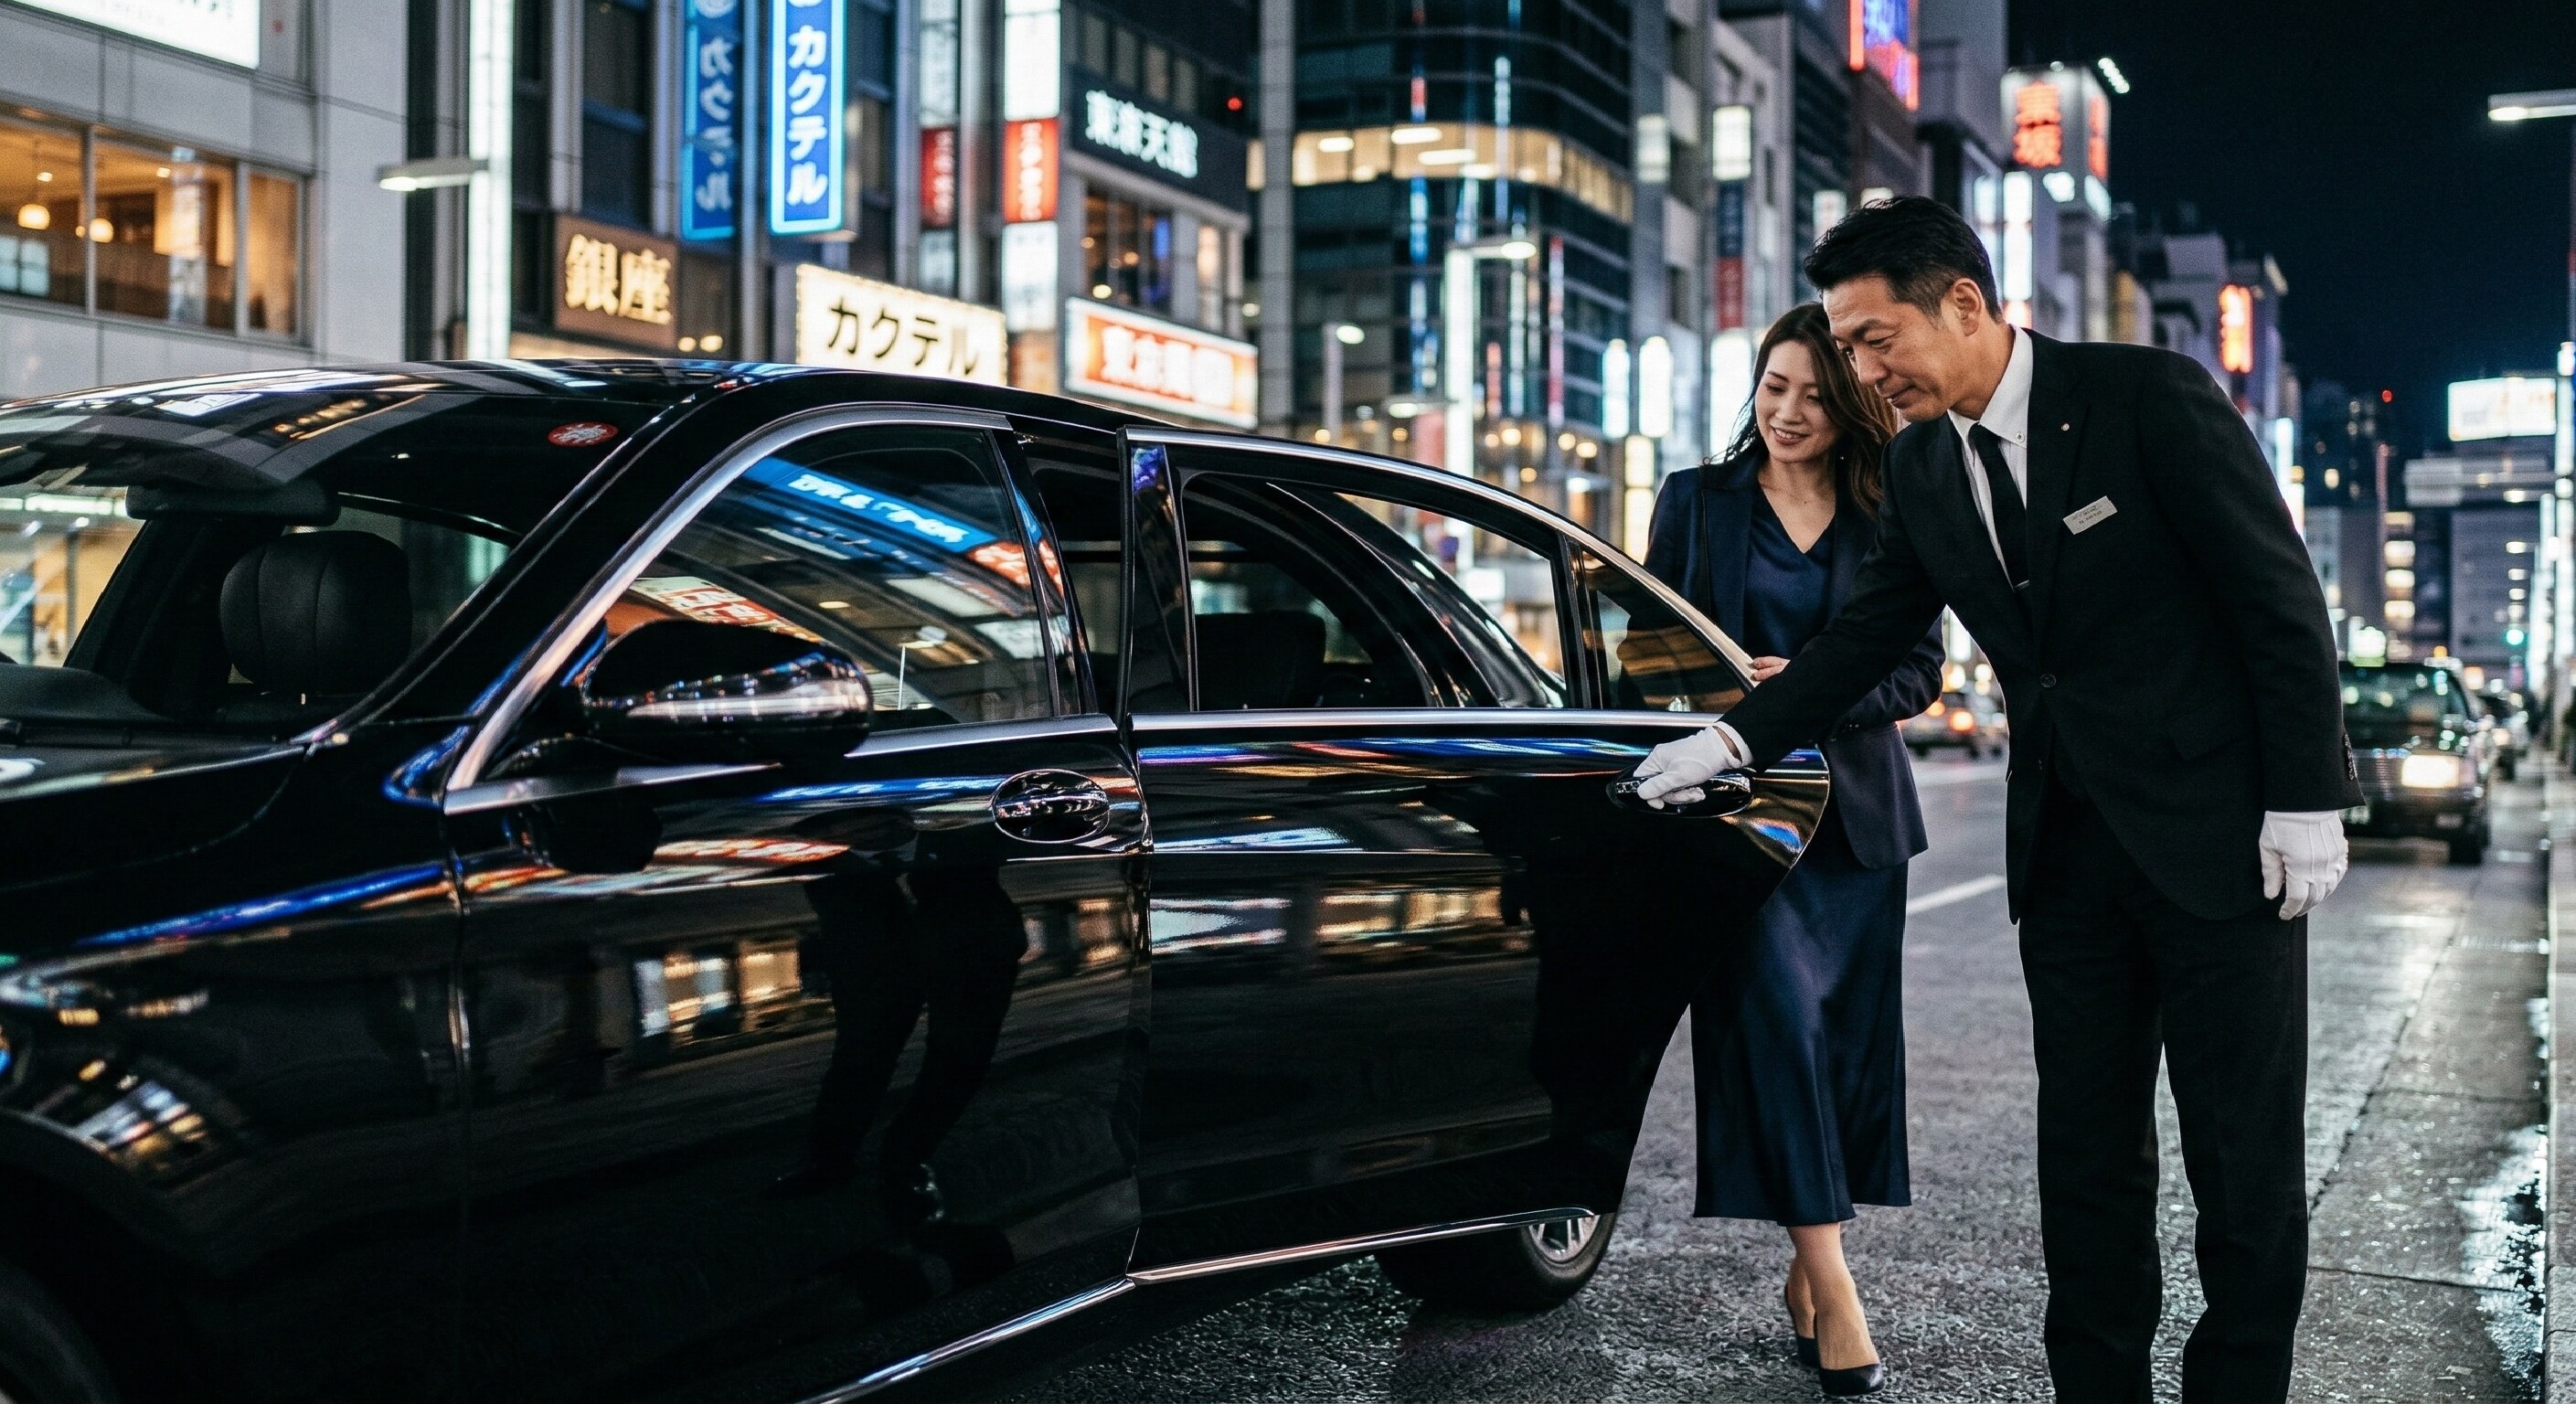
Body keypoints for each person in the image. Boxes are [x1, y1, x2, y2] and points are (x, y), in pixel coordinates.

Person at [1634, 197, 2357, 1404]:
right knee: (2083, 1157)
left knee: (2241, 1162)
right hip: (2065, 857)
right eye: (1845, 347)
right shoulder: (1920, 466)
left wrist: (2305, 798)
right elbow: (1866, 638)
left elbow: (2276, 600)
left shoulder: (2146, 397)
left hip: (2218, 845)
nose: (1864, 373)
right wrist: (1729, 736)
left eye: (1874, 341)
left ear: (1962, 305)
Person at [1642, 303, 1942, 1399]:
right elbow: (1643, 654)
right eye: (1774, 387)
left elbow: (1918, 672)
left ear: (1852, 405)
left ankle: (1807, 1266)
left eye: (1815, 394)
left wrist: (1814, 690)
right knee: (1773, 1030)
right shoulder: (1697, 500)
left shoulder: (1889, 510)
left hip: (1855, 826)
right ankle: (1836, 1281)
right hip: (1740, 820)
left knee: (1842, 1051)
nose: (1789, 411)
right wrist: (1732, 695)